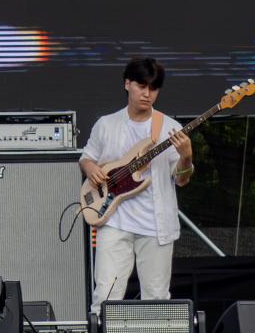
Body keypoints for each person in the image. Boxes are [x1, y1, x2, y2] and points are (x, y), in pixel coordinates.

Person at [81, 57, 194, 317]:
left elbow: (181, 179)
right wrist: (90, 169)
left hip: (156, 226)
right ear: (127, 84)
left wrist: (186, 157)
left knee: (156, 298)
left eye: (153, 88)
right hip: (114, 219)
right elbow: (86, 157)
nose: (147, 93)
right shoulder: (106, 124)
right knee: (105, 294)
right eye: (141, 86)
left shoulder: (170, 128)